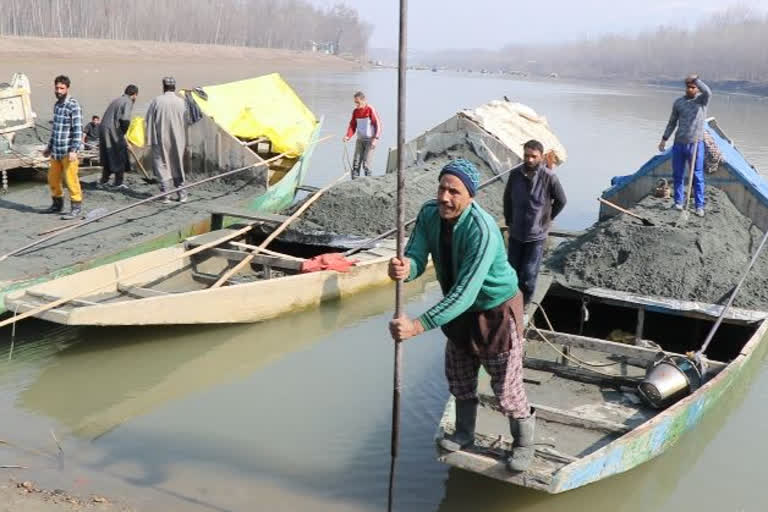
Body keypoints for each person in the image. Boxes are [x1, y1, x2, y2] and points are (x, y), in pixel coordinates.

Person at [388, 158, 536, 473]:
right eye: (442, 188)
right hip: (458, 310)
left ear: (470, 196)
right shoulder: (429, 213)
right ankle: (465, 432)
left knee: (506, 389)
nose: (444, 197)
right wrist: (406, 268)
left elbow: (466, 293)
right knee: (460, 377)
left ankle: (524, 443)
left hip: (494, 311)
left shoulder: (482, 230)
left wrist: (416, 326)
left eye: (453, 191)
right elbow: (417, 255)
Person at [503, 139, 567, 306]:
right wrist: (509, 220)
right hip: (516, 233)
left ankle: (524, 305)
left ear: (540, 157)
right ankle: (510, 304)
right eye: (526, 155)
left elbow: (561, 200)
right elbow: (507, 199)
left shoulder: (549, 177)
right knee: (512, 273)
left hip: (536, 235)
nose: (529, 159)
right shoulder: (515, 175)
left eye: (533, 156)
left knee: (529, 275)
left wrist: (548, 218)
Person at [658, 75, 712, 217]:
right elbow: (672, 122)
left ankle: (699, 206)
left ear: (697, 89)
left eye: (693, 87)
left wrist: (697, 80)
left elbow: (708, 92)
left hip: (695, 144)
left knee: (697, 175)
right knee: (678, 175)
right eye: (688, 87)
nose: (690, 89)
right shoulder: (679, 103)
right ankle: (678, 203)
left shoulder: (702, 101)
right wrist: (664, 139)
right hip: (679, 144)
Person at [42, 75, 84, 220]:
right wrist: (49, 147)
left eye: (62, 88)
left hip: (68, 151)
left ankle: (76, 207)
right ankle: (57, 204)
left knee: (71, 179)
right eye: (57, 88)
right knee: (52, 179)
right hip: (56, 151)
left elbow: (78, 130)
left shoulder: (73, 105)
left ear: (67, 88)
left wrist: (74, 150)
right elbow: (56, 129)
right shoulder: (57, 105)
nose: (59, 91)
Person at [145, 77, 187, 203]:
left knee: (162, 165)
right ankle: (182, 194)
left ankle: (166, 195)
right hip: (178, 139)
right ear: (174, 87)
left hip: (160, 138)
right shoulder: (181, 102)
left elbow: (149, 120)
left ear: (163, 87)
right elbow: (187, 121)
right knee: (177, 164)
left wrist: (150, 139)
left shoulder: (157, 101)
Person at [99, 84, 138, 189]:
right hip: (113, 130)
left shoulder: (117, 100)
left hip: (103, 129)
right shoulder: (128, 101)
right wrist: (123, 133)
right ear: (134, 95)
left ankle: (104, 180)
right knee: (120, 154)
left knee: (109, 154)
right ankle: (118, 182)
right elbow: (125, 120)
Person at [343, 91, 381, 179]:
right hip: (360, 140)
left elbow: (378, 125)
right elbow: (352, 125)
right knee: (356, 163)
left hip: (370, 141)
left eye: (358, 102)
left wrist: (375, 139)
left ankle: (369, 182)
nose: (356, 104)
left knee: (366, 164)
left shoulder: (370, 109)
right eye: (355, 102)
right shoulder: (355, 112)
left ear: (364, 100)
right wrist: (347, 136)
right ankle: (354, 182)